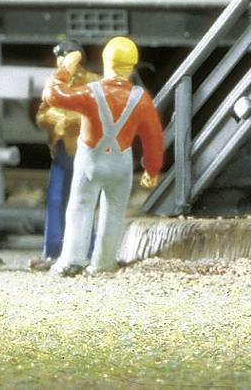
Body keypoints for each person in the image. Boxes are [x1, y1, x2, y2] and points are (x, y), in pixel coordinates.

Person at [49, 35, 163, 276]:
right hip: (120, 164)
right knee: (114, 213)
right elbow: (153, 138)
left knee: (80, 207)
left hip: (90, 160)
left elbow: (53, 95)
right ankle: (103, 263)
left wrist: (65, 67)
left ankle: (72, 260)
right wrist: (151, 170)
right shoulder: (141, 98)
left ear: (105, 62)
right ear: (132, 67)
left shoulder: (91, 92)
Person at [33, 40, 93, 271]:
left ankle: (87, 250)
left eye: (65, 56)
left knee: (84, 201)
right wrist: (57, 120)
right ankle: (52, 252)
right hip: (61, 151)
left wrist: (72, 120)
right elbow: (42, 115)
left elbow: (99, 113)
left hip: (85, 150)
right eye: (59, 57)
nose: (61, 61)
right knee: (56, 201)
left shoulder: (92, 82)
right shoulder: (55, 82)